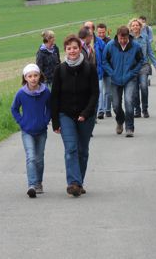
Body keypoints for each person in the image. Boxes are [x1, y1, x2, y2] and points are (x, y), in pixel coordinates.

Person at [50, 35, 99, 197]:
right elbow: (55, 96)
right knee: (71, 148)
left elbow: (95, 94)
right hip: (66, 115)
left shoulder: (90, 68)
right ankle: (74, 183)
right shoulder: (60, 70)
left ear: (80, 49)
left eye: (75, 48)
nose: (72, 51)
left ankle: (79, 181)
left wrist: (86, 113)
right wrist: (55, 121)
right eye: (69, 48)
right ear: (65, 50)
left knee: (82, 150)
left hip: (86, 115)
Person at [10, 63, 52, 198]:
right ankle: (32, 185)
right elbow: (14, 109)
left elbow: (50, 107)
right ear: (25, 78)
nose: (33, 78)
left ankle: (39, 182)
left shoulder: (45, 92)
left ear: (40, 76)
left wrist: (46, 120)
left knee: (39, 158)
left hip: (41, 130)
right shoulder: (21, 93)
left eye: (35, 75)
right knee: (31, 157)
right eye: (30, 76)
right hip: (27, 130)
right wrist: (21, 122)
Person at [102, 26, 144, 137]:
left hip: (130, 78)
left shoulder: (136, 46)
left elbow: (141, 61)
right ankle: (120, 121)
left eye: (125, 39)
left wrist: (133, 72)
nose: (123, 41)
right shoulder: (110, 45)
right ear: (117, 36)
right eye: (121, 38)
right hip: (115, 79)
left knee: (129, 101)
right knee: (115, 105)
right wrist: (111, 72)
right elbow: (104, 61)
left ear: (128, 37)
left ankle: (129, 128)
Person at [129, 18, 156, 118]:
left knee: (144, 87)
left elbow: (150, 51)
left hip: (144, 65)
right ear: (130, 27)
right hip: (132, 67)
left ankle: (145, 109)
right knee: (134, 91)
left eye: (137, 25)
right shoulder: (128, 38)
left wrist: (155, 64)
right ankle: (137, 110)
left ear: (140, 26)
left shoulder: (145, 37)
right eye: (133, 25)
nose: (135, 27)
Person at [96, 23, 112, 118]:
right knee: (100, 90)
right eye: (99, 32)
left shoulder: (110, 42)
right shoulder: (95, 42)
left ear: (105, 31)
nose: (101, 34)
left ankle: (108, 109)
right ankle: (100, 110)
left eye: (102, 32)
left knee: (108, 92)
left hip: (108, 70)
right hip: (99, 70)